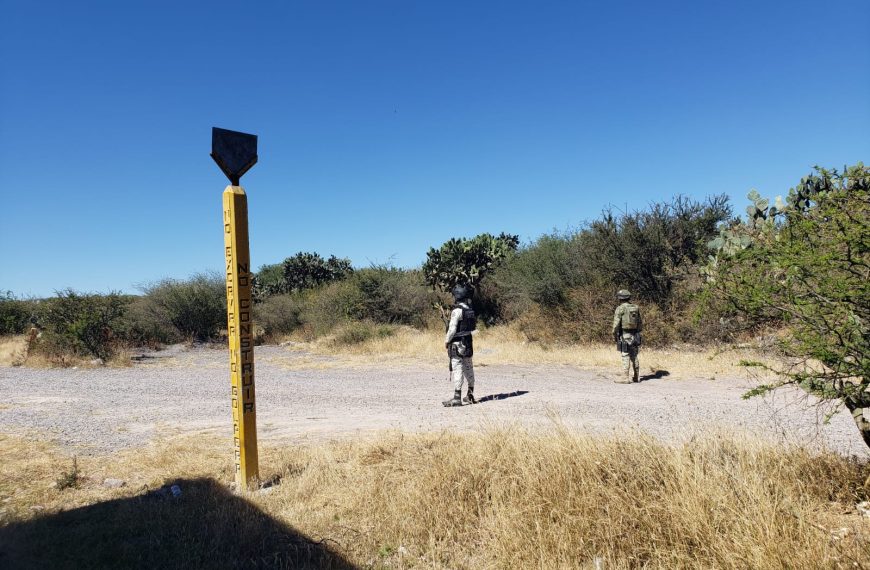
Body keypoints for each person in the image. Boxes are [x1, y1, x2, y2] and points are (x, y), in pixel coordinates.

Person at [443, 284, 477, 407]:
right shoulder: (469, 310)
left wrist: (447, 341)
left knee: (458, 368)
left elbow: (452, 329)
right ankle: (470, 394)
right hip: (468, 342)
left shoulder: (456, 311)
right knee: (469, 367)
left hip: (457, 343)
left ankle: (457, 397)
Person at [611, 289, 642, 383]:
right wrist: (637, 333)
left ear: (620, 298)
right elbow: (640, 322)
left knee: (625, 354)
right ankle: (636, 377)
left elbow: (616, 324)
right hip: (635, 334)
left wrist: (614, 334)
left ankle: (625, 378)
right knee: (634, 355)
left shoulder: (620, 308)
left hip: (625, 334)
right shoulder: (635, 307)